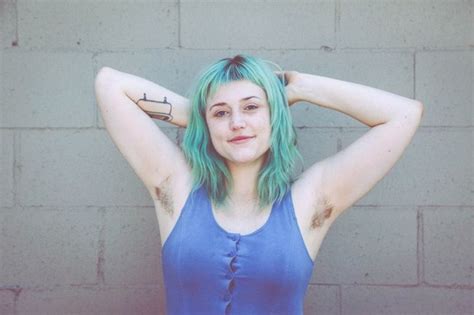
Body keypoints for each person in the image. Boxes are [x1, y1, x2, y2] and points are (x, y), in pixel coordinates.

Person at [94, 54, 423, 314]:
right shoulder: (176, 190)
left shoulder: (310, 201)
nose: (237, 123)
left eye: (252, 107)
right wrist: (201, 117)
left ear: (274, 115)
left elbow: (404, 114)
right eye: (222, 113)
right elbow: (110, 84)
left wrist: (300, 87)